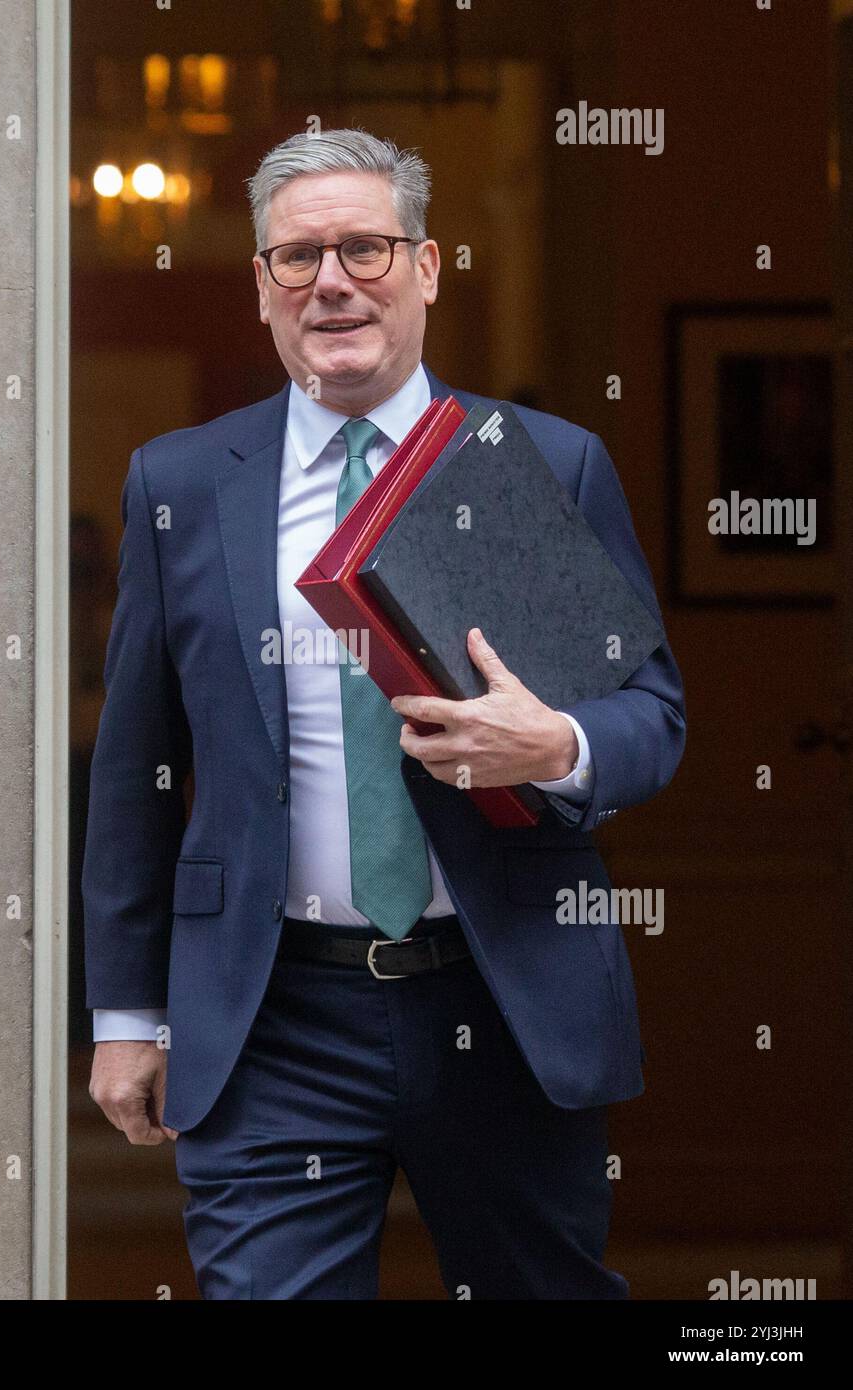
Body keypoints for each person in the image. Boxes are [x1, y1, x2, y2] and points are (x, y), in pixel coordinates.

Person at [83, 128, 686, 1300]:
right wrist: (125, 1011)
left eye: (366, 247)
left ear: (429, 267)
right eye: (299, 257)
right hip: (272, 1016)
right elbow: (136, 768)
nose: (334, 282)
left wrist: (554, 745)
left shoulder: (538, 464)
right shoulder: (183, 484)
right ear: (261, 286)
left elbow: (653, 715)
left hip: (504, 998)